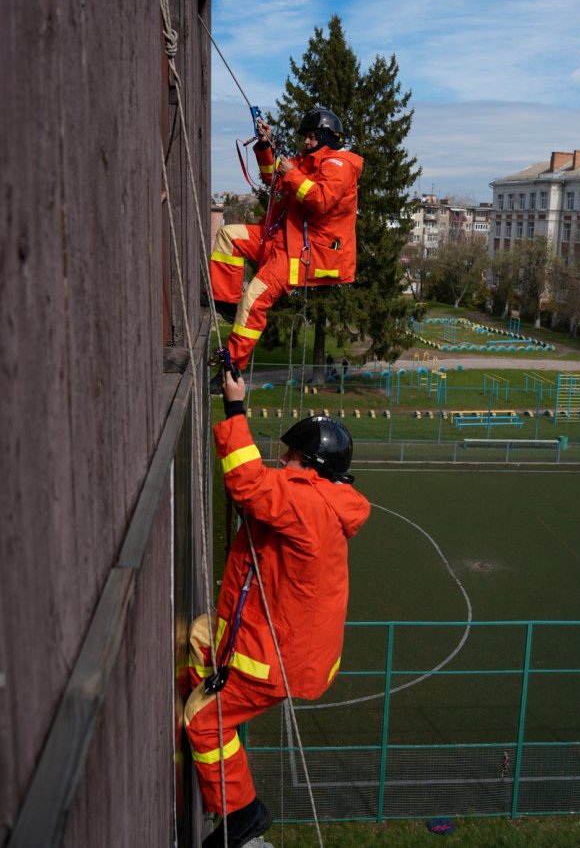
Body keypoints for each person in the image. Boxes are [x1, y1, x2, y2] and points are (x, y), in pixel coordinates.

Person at [184, 367, 371, 847]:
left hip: (274, 661)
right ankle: (208, 724)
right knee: (203, 635)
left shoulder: (307, 505)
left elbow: (248, 483)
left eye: (289, 455)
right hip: (286, 650)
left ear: (310, 464)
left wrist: (235, 407)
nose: (282, 460)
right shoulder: (325, 500)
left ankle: (240, 813)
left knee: (205, 723)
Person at [207, 107, 364, 392]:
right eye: (306, 137)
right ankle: (228, 303)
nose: (305, 141)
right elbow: (272, 179)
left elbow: (320, 200)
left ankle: (232, 370)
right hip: (283, 240)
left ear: (326, 137)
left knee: (254, 298)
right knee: (229, 236)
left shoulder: (341, 165)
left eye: (311, 137)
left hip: (304, 254)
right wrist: (266, 145)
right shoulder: (308, 161)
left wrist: (292, 174)